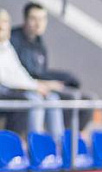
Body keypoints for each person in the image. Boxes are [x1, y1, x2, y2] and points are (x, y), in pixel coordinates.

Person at [10, 2, 95, 130]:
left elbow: (42, 71)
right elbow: (17, 73)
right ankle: (44, 138)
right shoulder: (13, 40)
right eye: (34, 19)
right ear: (25, 19)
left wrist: (61, 80)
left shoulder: (39, 43)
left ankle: (64, 138)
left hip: (39, 85)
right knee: (58, 97)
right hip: (23, 87)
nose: (38, 23)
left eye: (42, 19)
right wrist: (43, 84)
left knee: (86, 97)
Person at [0, 8, 63, 138]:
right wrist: (34, 86)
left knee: (52, 97)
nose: (2, 26)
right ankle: (34, 141)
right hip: (6, 90)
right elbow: (5, 78)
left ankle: (57, 142)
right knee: (34, 99)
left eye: (5, 22)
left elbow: (19, 72)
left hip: (14, 88)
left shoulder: (7, 47)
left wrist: (37, 85)